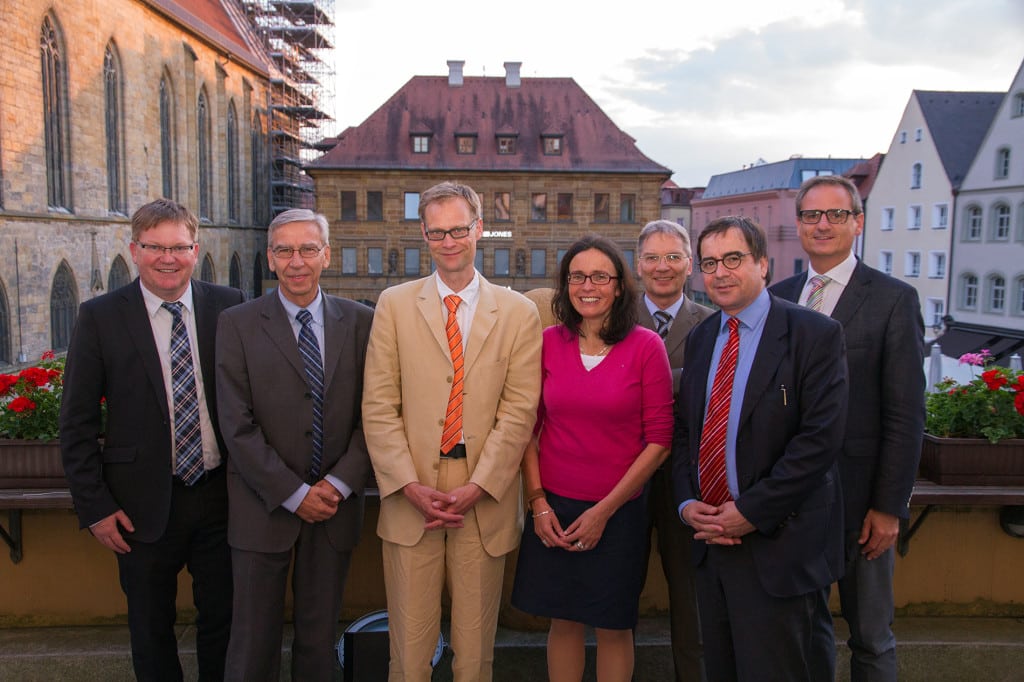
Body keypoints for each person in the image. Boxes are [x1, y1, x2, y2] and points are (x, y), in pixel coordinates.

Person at [361, 181, 542, 682]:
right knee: (409, 654)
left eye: (459, 229)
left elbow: (519, 411)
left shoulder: (518, 312)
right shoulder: (394, 305)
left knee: (475, 654)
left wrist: (480, 486)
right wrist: (407, 485)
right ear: (423, 234)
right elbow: (378, 405)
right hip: (410, 493)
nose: (449, 241)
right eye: (437, 231)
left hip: (482, 497)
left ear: (479, 229)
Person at [60, 198, 243, 681]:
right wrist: (95, 506)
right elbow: (76, 422)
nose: (168, 258)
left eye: (179, 247)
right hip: (137, 505)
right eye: (155, 247)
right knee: (150, 629)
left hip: (221, 497)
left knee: (224, 625)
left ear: (195, 249)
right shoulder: (100, 316)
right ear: (134, 250)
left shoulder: (229, 306)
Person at [673, 216, 848, 681]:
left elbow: (820, 440)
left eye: (733, 259)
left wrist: (750, 511)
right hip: (712, 543)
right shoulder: (703, 338)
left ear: (763, 264)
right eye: (709, 263)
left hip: (779, 544)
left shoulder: (813, 334)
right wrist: (688, 503)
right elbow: (687, 434)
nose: (721, 273)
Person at [771, 175, 925, 682]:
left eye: (836, 214)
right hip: (793, 501)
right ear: (798, 224)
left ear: (857, 223)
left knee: (871, 637)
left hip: (862, 504)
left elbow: (906, 414)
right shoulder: (779, 297)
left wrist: (888, 507)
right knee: (800, 633)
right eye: (812, 215)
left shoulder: (892, 300)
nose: (823, 225)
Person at [215, 209, 374, 680]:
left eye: (308, 249)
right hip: (261, 508)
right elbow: (235, 423)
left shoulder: (362, 321)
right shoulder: (237, 324)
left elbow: (377, 416)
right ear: (270, 258)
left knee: (318, 643)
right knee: (251, 645)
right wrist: (294, 493)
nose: (296, 261)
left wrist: (340, 484)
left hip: (335, 510)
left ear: (326, 254)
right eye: (284, 250)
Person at [511, 234, 674, 682]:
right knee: (562, 621)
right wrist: (537, 501)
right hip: (555, 507)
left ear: (619, 286)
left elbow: (659, 440)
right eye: (577, 276)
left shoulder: (645, 347)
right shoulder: (545, 342)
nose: (588, 286)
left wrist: (604, 511)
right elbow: (526, 428)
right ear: (565, 285)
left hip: (619, 511)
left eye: (600, 276)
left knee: (613, 626)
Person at [635, 220, 712, 682]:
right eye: (652, 257)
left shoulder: (712, 324)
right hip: (621, 475)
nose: (662, 267)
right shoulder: (612, 319)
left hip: (689, 477)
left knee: (691, 598)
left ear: (689, 266)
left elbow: (709, 395)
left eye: (672, 257)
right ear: (637, 264)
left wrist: (644, 383)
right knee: (613, 591)